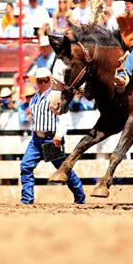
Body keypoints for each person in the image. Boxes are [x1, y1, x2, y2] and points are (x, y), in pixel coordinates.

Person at [21, 67, 85, 204]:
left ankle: (80, 197)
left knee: (63, 169)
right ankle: (26, 200)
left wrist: (59, 135)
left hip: (51, 139)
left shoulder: (55, 96)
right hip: (37, 138)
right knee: (25, 166)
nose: (42, 83)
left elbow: (64, 118)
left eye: (44, 80)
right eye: (40, 81)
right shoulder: (35, 98)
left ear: (48, 80)